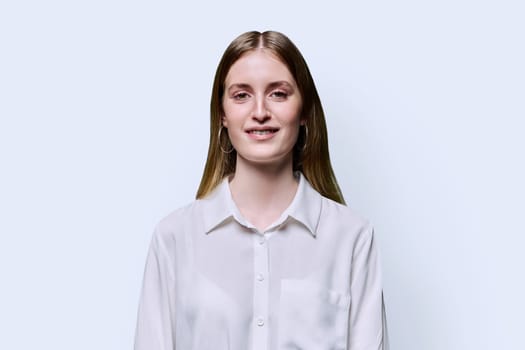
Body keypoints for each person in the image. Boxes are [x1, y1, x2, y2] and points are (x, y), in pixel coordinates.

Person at [134, 30, 389, 350]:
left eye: (278, 94)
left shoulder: (352, 237)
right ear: (223, 114)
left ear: (305, 110)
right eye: (241, 95)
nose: (259, 112)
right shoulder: (174, 237)